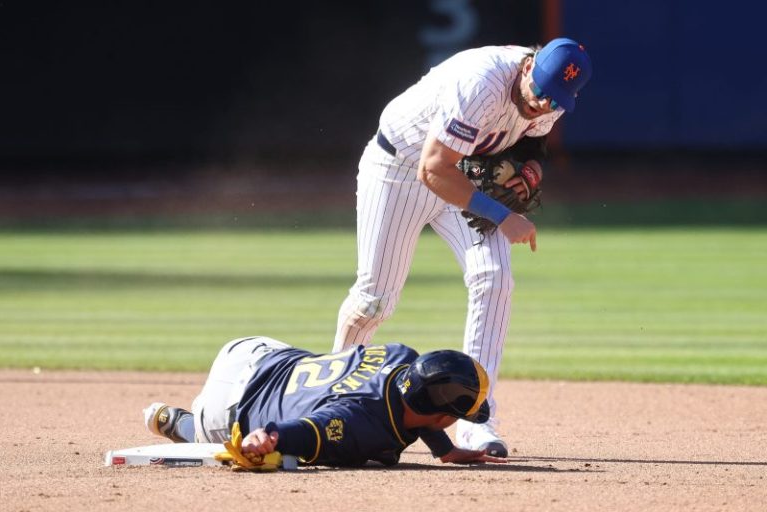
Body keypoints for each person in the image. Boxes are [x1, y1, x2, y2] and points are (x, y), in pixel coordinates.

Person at [333, 38, 592, 456]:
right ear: (528, 67)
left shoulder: (552, 95)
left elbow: (529, 143)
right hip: (398, 171)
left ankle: (478, 420)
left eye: (557, 99)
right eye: (541, 91)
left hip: (461, 175)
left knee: (495, 278)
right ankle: (333, 395)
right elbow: (433, 169)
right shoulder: (480, 83)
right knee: (374, 299)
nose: (545, 104)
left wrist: (528, 169)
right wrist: (503, 215)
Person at [143, 336, 508, 467]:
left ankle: (183, 421)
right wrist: (268, 437)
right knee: (228, 440)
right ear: (443, 417)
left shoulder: (403, 356)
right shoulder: (361, 426)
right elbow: (309, 431)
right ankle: (180, 423)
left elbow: (419, 403)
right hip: (226, 405)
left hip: (257, 350)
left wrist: (443, 449)